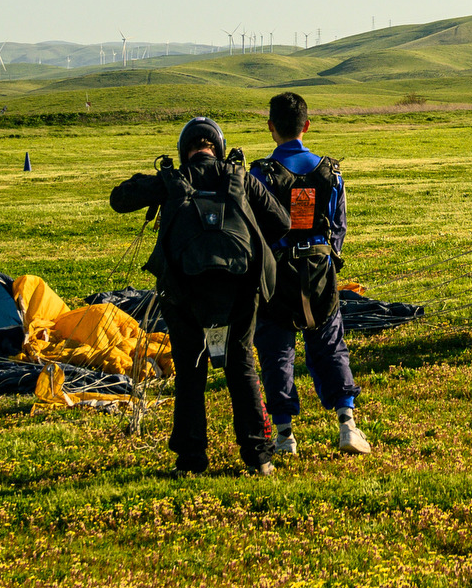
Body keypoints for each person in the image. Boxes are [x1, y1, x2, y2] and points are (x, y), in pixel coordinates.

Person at [110, 116, 289, 476]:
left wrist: (158, 180)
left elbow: (119, 200)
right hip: (239, 289)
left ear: (185, 149)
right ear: (218, 147)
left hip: (184, 292)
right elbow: (281, 221)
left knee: (190, 373)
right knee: (241, 366)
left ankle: (191, 461)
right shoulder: (239, 178)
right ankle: (259, 458)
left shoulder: (174, 180)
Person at [250, 92, 372, 457]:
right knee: (330, 344)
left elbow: (253, 231)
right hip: (320, 271)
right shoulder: (332, 173)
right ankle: (347, 424)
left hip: (276, 275)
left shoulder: (259, 174)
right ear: (306, 125)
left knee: (276, 351)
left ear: (271, 128)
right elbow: (340, 227)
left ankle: (285, 434)